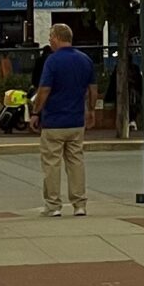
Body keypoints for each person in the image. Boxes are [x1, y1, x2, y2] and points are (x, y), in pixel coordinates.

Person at [31, 23, 97, 217]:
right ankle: (79, 204)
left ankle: (53, 205)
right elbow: (93, 89)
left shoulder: (52, 61)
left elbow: (44, 91)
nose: (50, 41)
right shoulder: (85, 60)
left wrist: (36, 113)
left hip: (54, 121)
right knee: (76, 162)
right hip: (76, 121)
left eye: (51, 37)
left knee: (52, 164)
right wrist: (91, 110)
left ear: (57, 37)